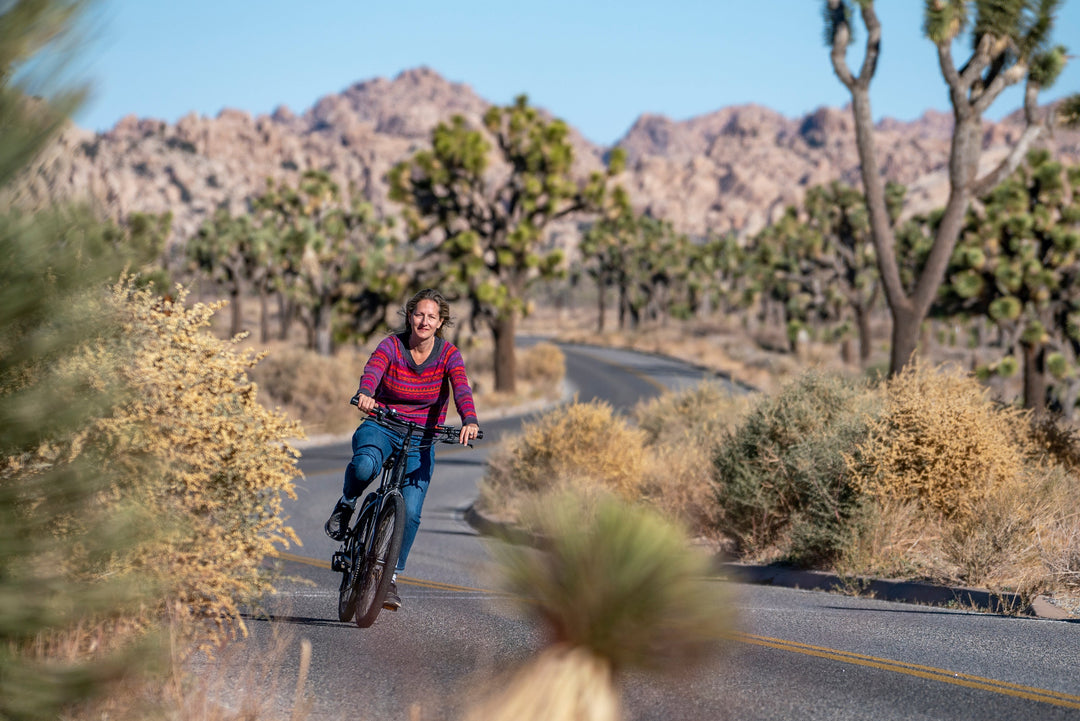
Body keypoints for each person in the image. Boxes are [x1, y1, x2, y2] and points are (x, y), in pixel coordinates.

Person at [325, 288, 480, 611]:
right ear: (410, 317)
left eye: (432, 317)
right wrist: (366, 393)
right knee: (365, 465)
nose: (424, 321)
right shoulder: (391, 346)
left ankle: (391, 578)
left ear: (440, 323)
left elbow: (462, 388)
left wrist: (470, 420)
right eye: (419, 314)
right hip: (382, 425)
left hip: (421, 438)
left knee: (410, 513)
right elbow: (373, 371)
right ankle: (347, 503)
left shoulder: (449, 354)